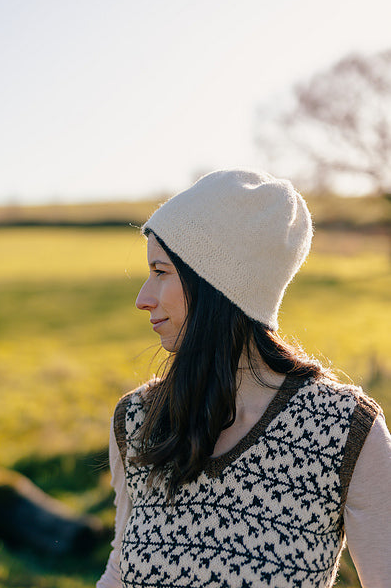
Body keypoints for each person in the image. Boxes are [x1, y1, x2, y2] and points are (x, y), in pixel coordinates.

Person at [97, 169, 391, 588]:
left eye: (161, 272)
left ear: (215, 285)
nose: (143, 299)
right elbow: (120, 570)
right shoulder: (137, 420)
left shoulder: (343, 430)